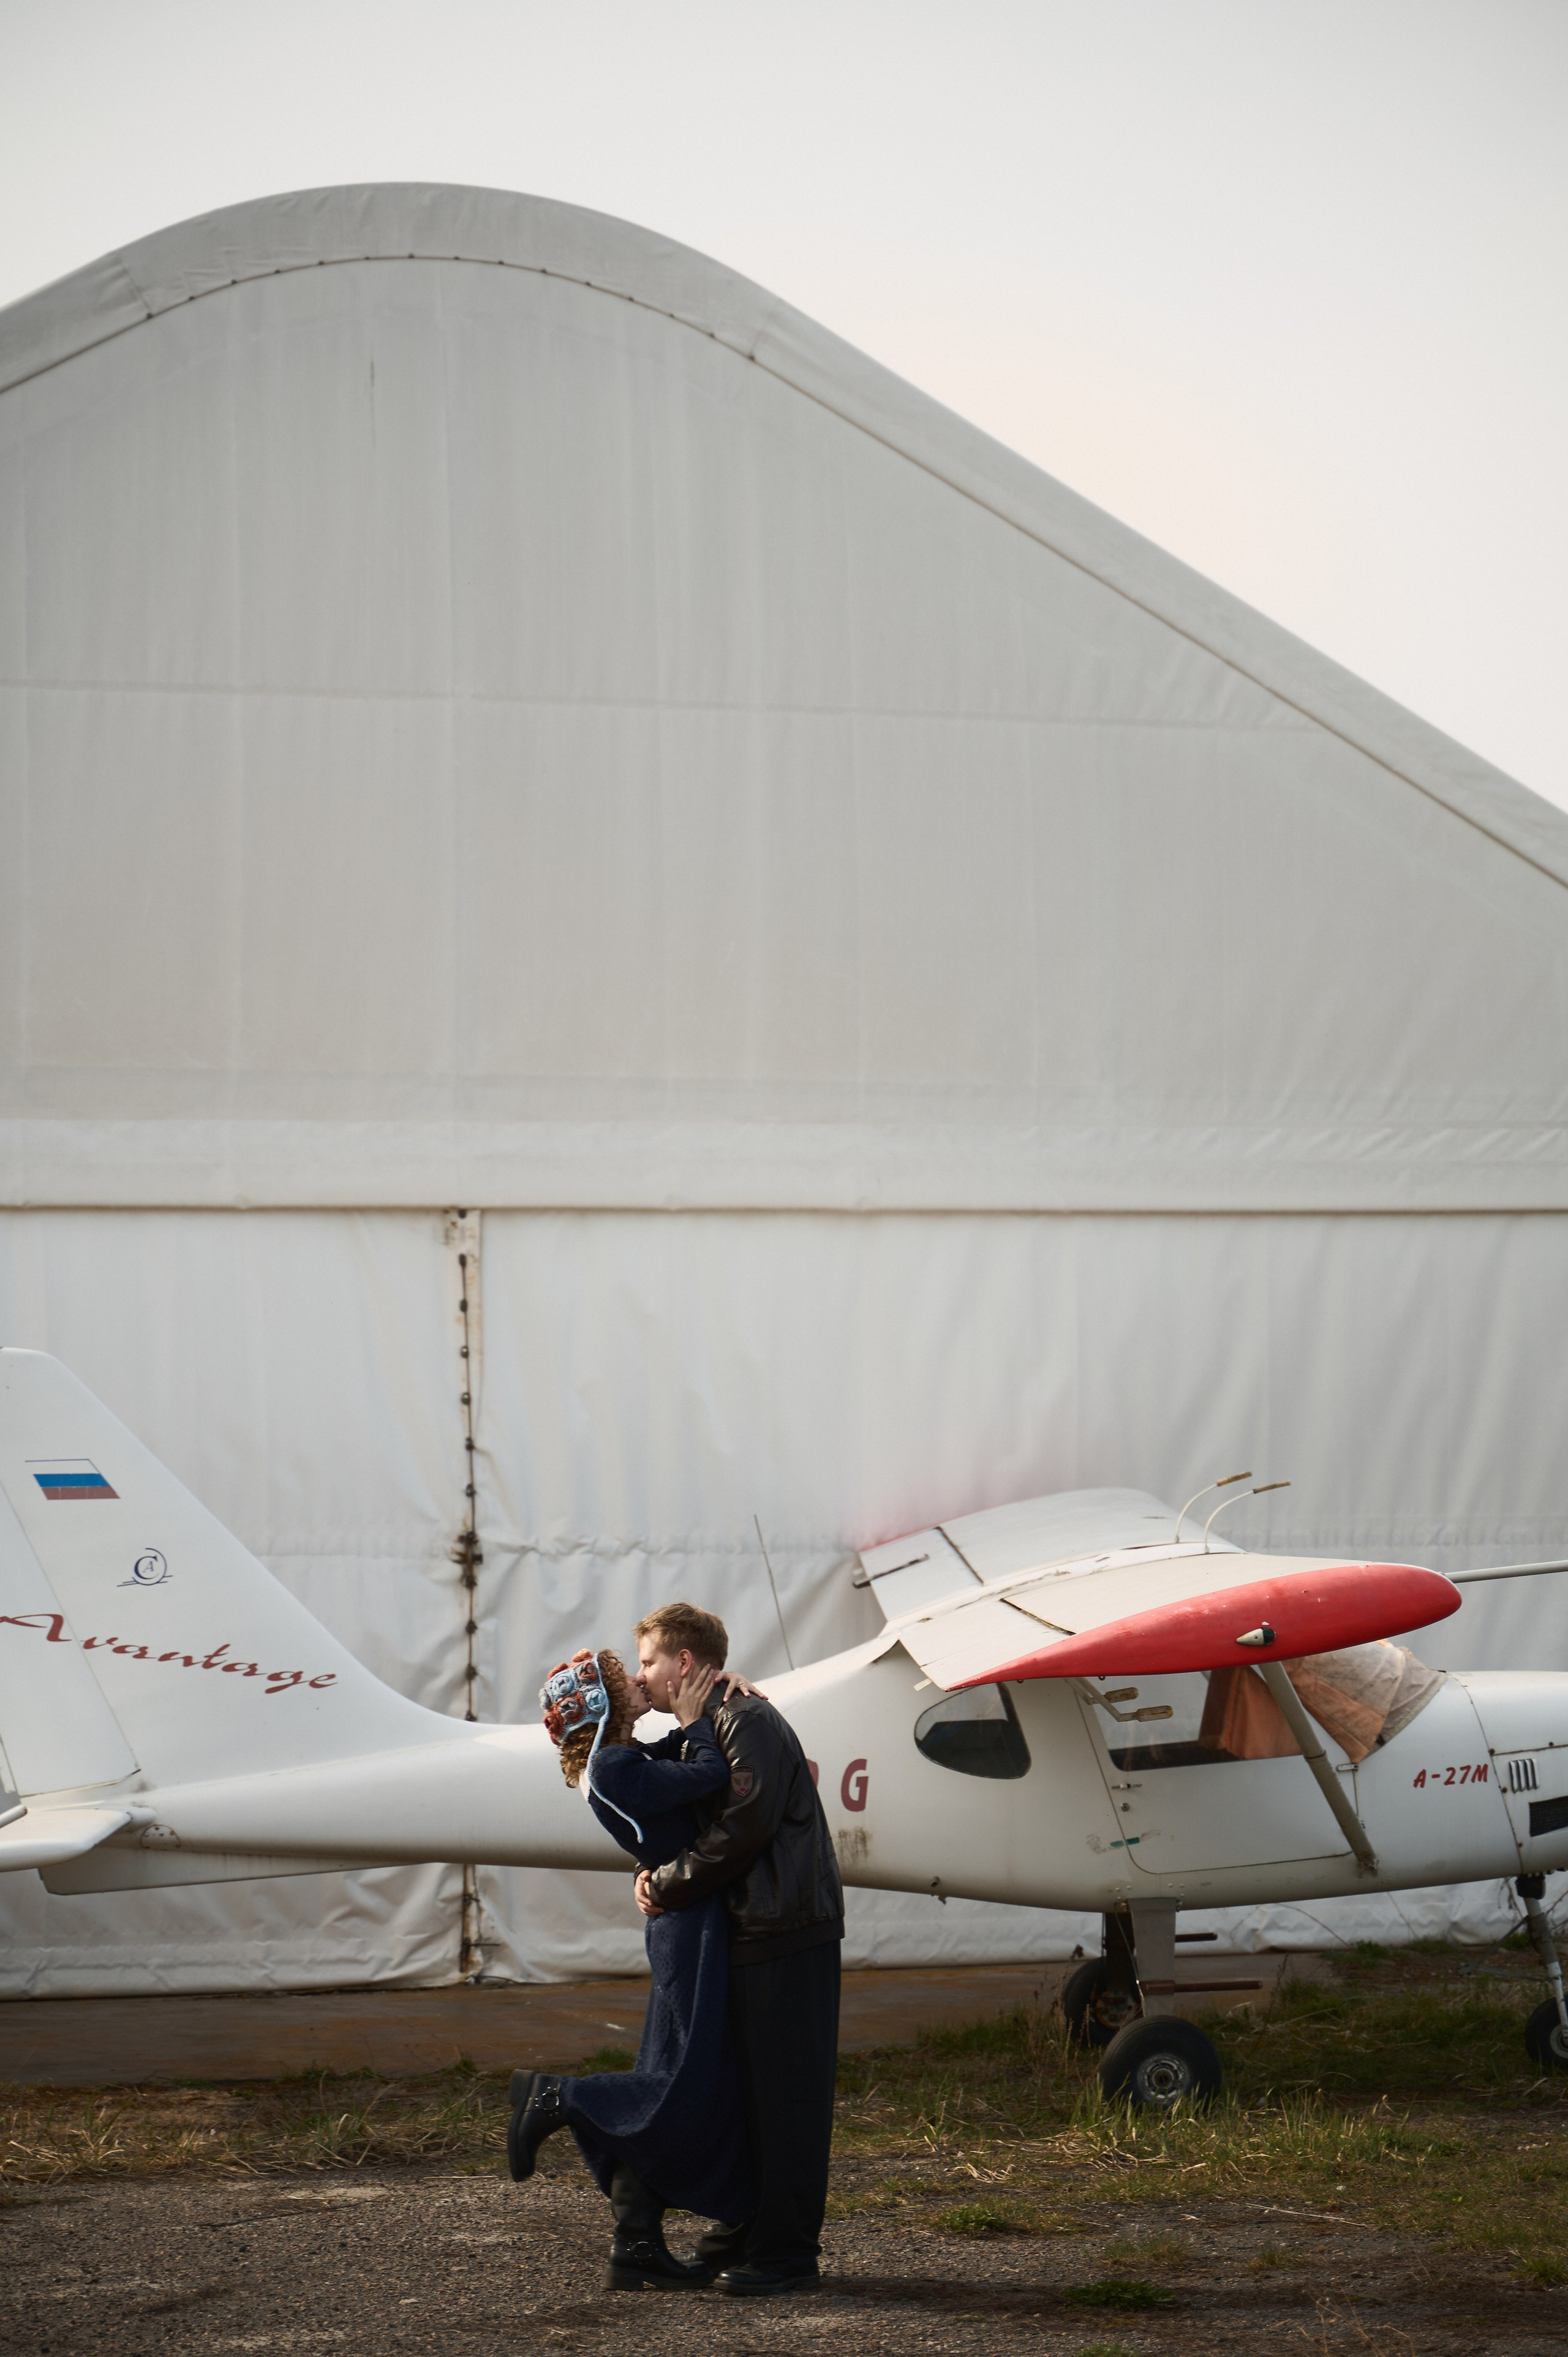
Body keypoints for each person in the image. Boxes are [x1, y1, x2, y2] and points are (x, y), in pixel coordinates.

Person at [507, 1646, 756, 2291]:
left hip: (679, 1919)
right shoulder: (616, 1763)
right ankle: (560, 2095)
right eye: (624, 1678)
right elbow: (705, 1773)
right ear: (605, 1702)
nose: (638, 1680)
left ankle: (636, 2241)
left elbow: (673, 1758)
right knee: (683, 2080)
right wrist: (705, 1719)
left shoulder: (612, 1762)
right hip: (690, 1926)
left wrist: (718, 1694)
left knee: (664, 2075)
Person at [633, 1602, 843, 2298]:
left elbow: (742, 1827)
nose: (643, 1675)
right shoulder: (712, 1721)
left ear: (684, 1663)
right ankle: (746, 2227)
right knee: (750, 2093)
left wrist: (666, 1884)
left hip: (784, 1928)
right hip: (753, 1928)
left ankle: (786, 2252)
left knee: (785, 2098)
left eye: (648, 1662)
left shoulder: (744, 1718)